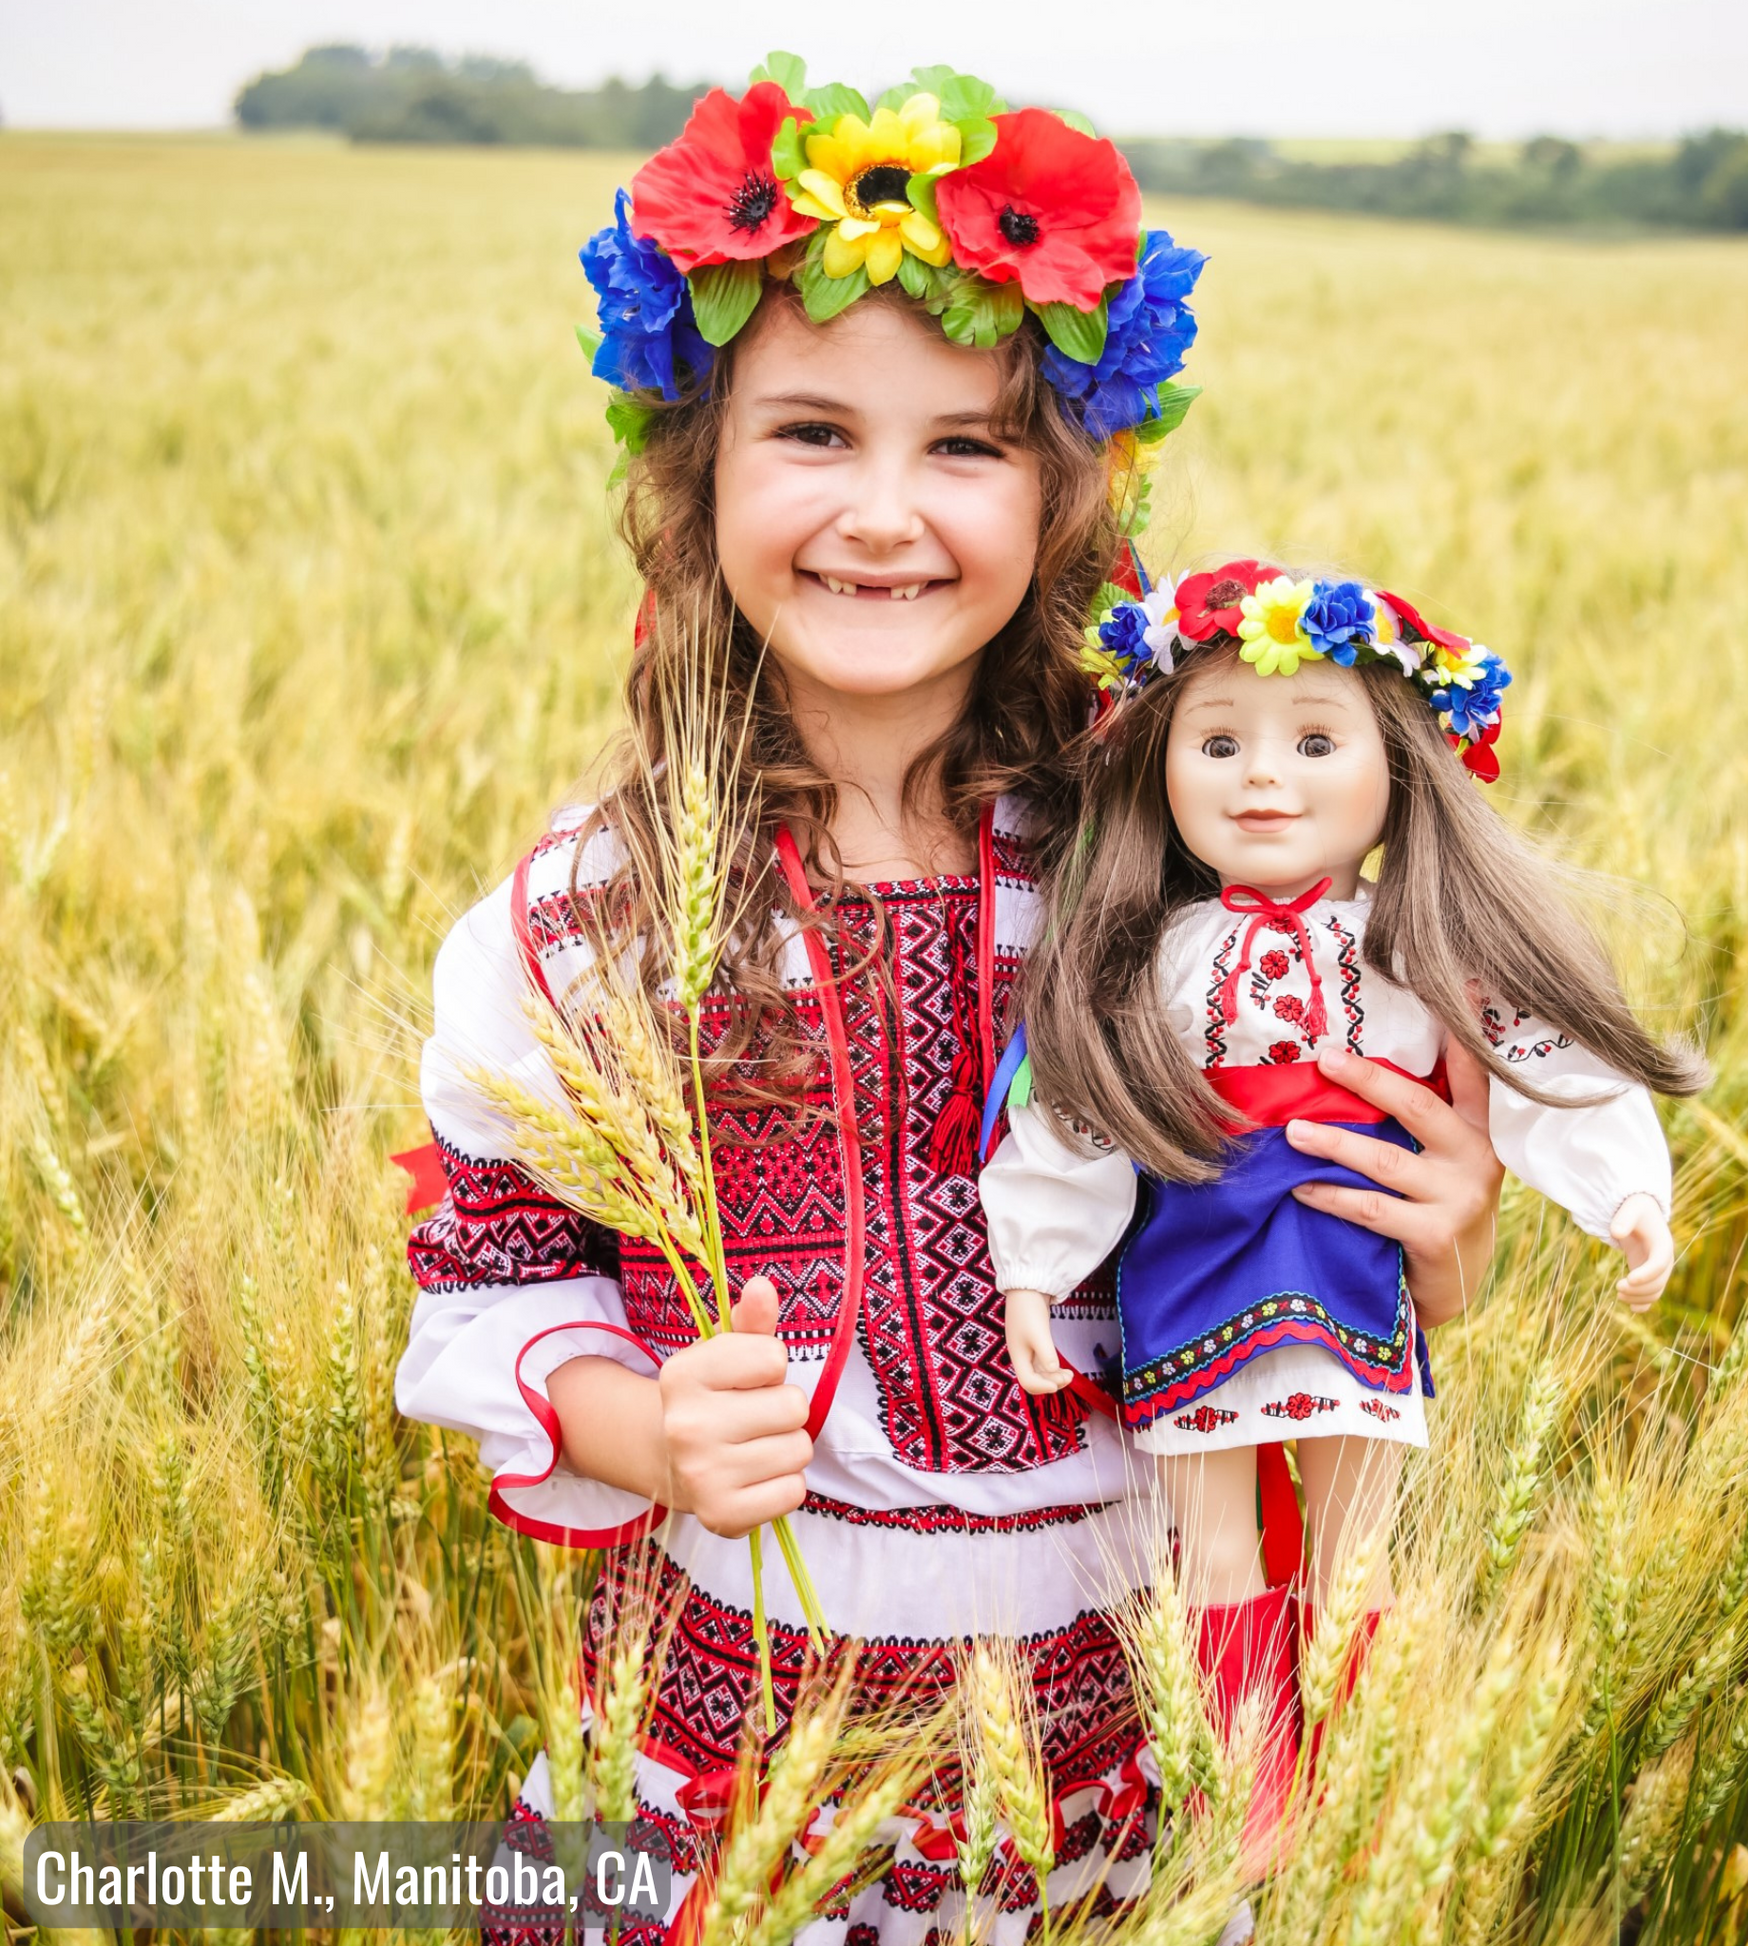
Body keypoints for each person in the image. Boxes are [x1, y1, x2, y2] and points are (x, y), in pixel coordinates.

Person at [394, 61, 1506, 1941]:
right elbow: (493, 1272)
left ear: (1067, 494)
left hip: (1127, 1740)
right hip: (722, 1761)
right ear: (696, 474)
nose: (884, 514)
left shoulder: (1163, 872)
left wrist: (1443, 1242)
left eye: (968, 448)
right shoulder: (582, 916)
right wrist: (644, 1430)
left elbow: (1315, 1237)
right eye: (811, 434)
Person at [981, 559, 1705, 1846]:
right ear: (1157, 764)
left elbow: (1547, 1065)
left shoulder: (1414, 947)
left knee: (1352, 1541)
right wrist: (1032, 1265)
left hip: (1353, 1249)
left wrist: (1626, 1199)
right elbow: (1074, 1113)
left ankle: (1350, 1785)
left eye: (1315, 739)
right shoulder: (1147, 957)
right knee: (1207, 1541)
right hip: (1194, 1262)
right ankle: (1242, 1803)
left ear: (1399, 769)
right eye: (1217, 742)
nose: (1263, 776)